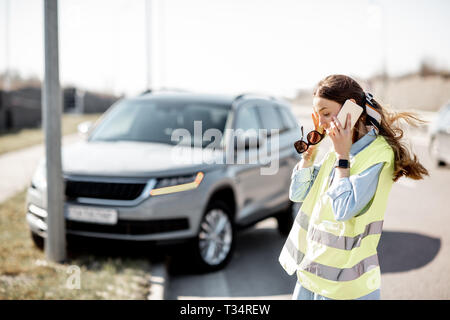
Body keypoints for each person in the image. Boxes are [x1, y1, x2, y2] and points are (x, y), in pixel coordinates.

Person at [278, 74, 429, 300]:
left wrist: (342, 156)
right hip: (310, 277)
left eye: (327, 114)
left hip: (346, 289)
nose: (322, 124)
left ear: (353, 110)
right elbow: (298, 195)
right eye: (318, 116)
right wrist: (308, 160)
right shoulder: (337, 150)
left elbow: (343, 210)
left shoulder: (378, 155)